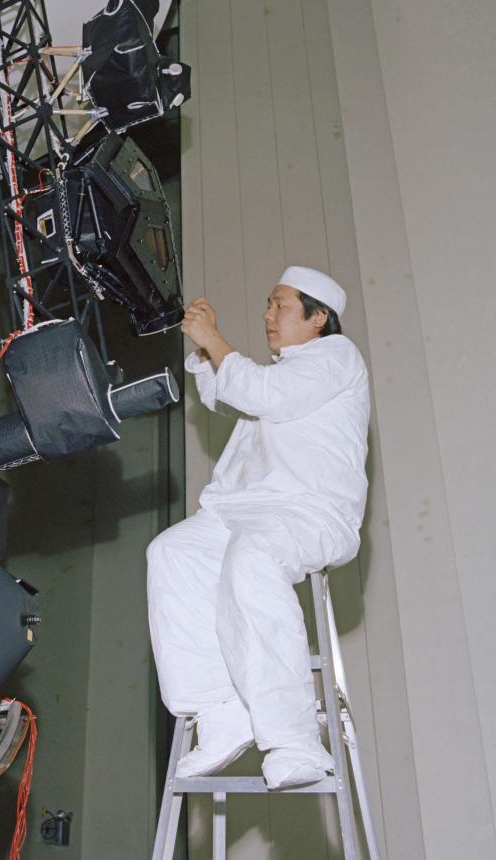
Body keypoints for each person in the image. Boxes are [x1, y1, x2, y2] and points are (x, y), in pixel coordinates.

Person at [146, 266, 370, 789]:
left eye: (280, 305)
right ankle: (220, 713)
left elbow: (264, 394)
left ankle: (294, 740)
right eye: (268, 305)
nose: (268, 316)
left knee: (253, 560)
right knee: (171, 552)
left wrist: (216, 342)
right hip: (243, 512)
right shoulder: (281, 372)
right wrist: (205, 350)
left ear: (318, 319)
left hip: (310, 513)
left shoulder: (337, 357)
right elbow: (231, 396)